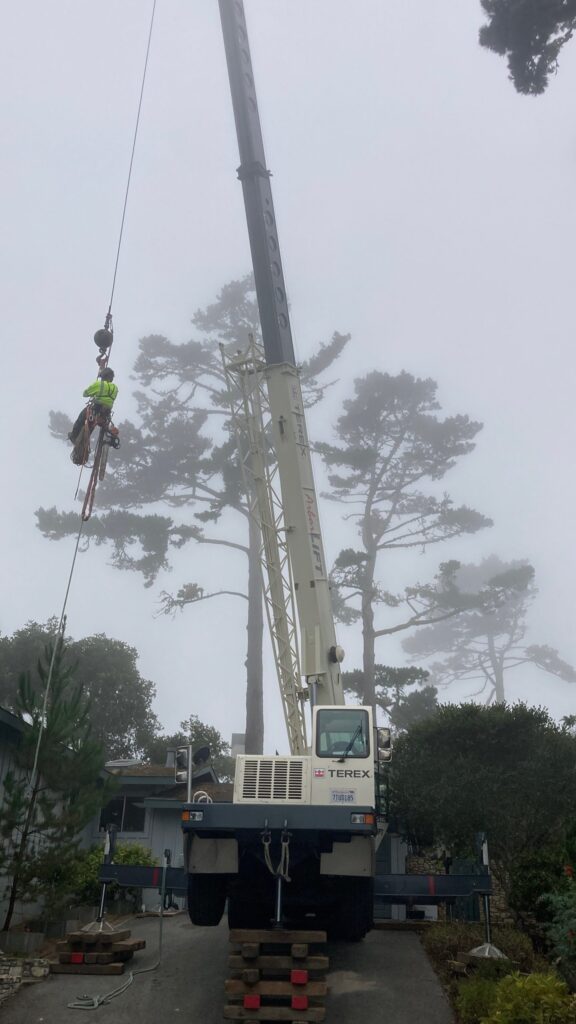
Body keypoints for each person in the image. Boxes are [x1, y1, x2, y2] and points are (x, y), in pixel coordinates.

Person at [69, 368, 118, 443]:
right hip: (106, 414)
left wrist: (94, 391)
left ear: (103, 376)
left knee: (81, 418)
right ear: (111, 378)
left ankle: (73, 436)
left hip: (96, 409)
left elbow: (85, 394)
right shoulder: (115, 388)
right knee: (97, 425)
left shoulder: (99, 384)